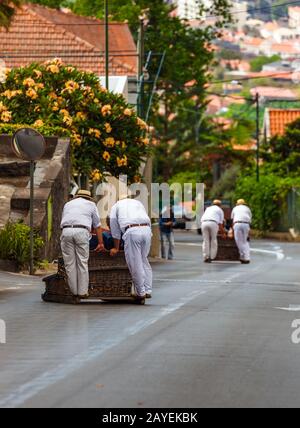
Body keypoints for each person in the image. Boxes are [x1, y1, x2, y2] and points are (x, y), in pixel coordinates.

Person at [60, 189, 104, 298]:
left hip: (66, 231)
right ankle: (82, 292)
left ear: (77, 196)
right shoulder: (91, 205)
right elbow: (97, 225)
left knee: (69, 264)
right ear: (88, 198)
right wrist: (101, 243)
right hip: (81, 231)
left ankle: (74, 292)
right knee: (82, 262)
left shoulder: (68, 204)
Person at [109, 194, 152, 302]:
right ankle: (148, 290)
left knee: (135, 263)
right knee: (143, 260)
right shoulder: (138, 203)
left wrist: (116, 248)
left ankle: (140, 292)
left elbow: (115, 230)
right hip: (146, 229)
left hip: (132, 231)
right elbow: (147, 218)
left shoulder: (116, 206)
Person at [231, 199, 252, 264]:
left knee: (239, 241)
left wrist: (232, 230)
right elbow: (250, 218)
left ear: (237, 204)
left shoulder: (235, 208)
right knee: (245, 241)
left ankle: (243, 256)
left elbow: (232, 219)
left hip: (237, 224)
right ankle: (246, 257)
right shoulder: (247, 208)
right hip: (246, 224)